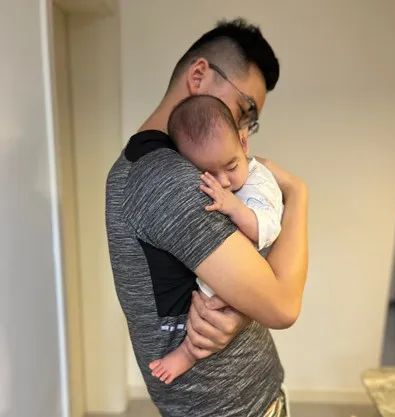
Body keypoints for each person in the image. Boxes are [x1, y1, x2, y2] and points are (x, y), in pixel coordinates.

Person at [106, 18, 308, 417]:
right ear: (199, 75)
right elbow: (283, 304)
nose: (243, 131)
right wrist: (299, 194)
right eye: (244, 109)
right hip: (237, 406)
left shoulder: (135, 166)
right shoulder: (170, 180)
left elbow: (240, 273)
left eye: (250, 122)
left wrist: (241, 309)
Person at [149, 94, 284, 385]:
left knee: (208, 310)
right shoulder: (229, 176)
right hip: (239, 270)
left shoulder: (259, 184)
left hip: (252, 269)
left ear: (244, 143)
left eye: (231, 167)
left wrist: (233, 207)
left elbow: (267, 229)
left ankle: (188, 353)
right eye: (208, 173)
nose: (223, 181)